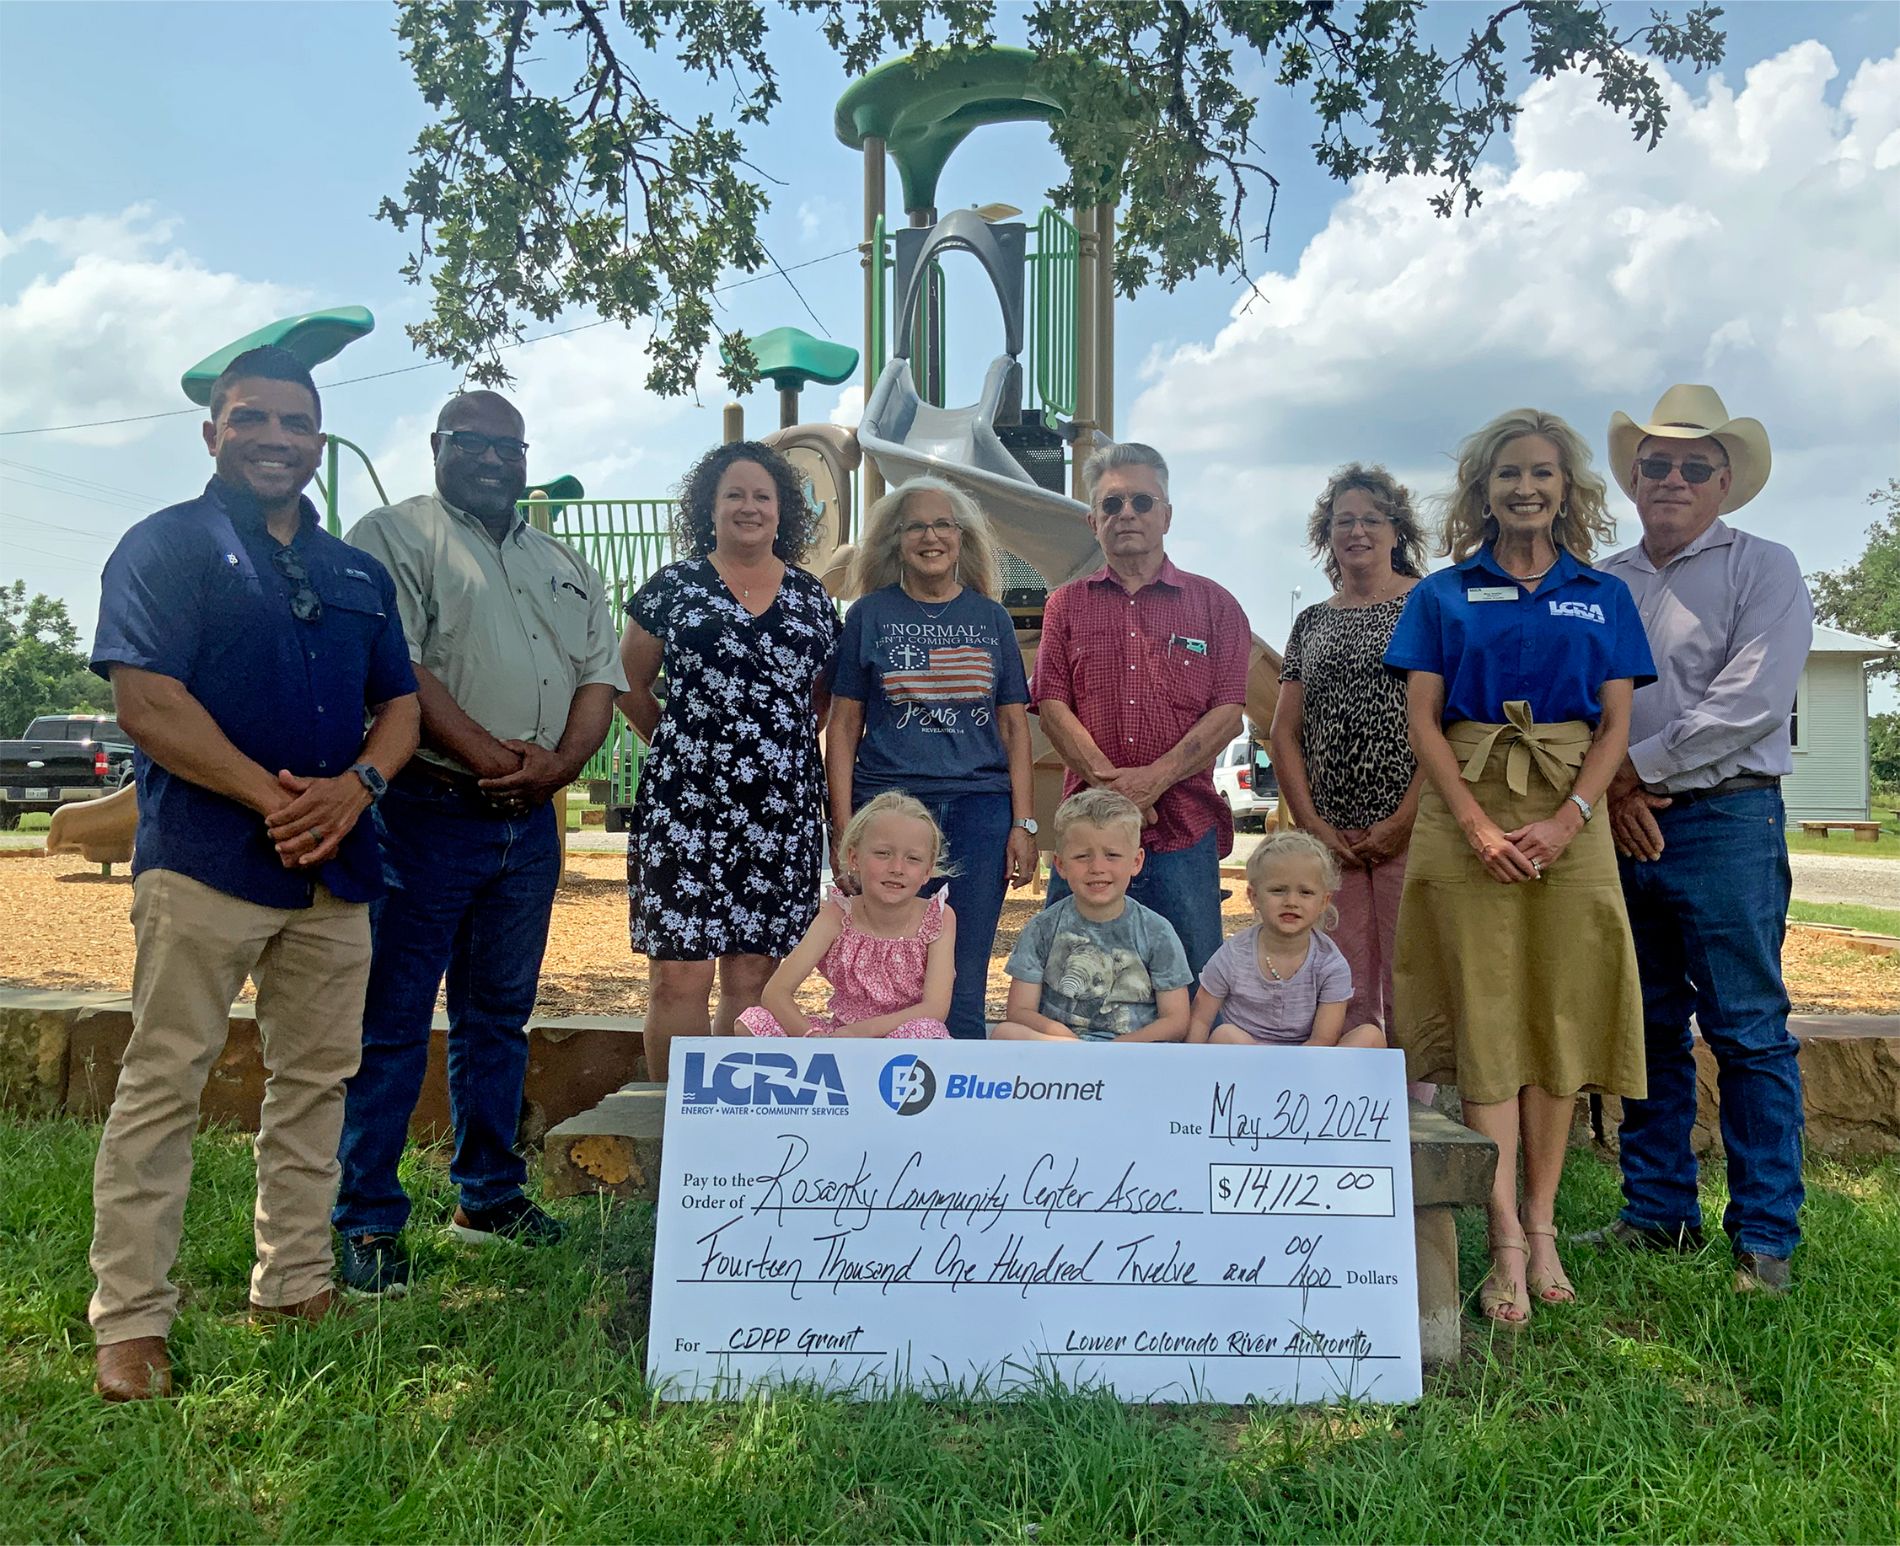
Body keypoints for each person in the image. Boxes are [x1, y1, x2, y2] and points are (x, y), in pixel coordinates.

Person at [86, 347, 420, 1401]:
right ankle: (132, 1320)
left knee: (316, 1082)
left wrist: (356, 786)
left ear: (319, 439)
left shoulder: (358, 574)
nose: (276, 439)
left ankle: (295, 1280)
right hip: (206, 865)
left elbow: (401, 705)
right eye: (253, 419)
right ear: (213, 432)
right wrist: (277, 799)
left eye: (295, 423)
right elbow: (147, 701)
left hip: (339, 872)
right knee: (163, 1081)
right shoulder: (165, 547)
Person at [331, 391, 625, 1295]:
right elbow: (401, 668)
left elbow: (597, 674)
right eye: (473, 442)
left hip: (528, 824)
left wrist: (561, 768)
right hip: (426, 810)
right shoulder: (397, 536)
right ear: (436, 445)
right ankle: (368, 1221)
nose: (494, 458)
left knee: (497, 1017)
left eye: (509, 445)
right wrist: (495, 757)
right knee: (392, 1023)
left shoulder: (561, 560)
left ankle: (488, 1198)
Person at [1384, 407, 1655, 1328]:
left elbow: (1616, 725)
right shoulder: (1442, 593)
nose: (1526, 488)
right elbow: (1423, 718)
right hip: (1467, 812)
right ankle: (1500, 1236)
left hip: (1568, 817)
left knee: (1558, 1012)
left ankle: (1542, 1223)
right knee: (1487, 1018)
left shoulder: (1603, 595)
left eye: (1543, 473)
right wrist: (1474, 823)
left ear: (1568, 487)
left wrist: (1570, 817)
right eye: (1508, 474)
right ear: (1483, 490)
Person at [1585, 385, 1810, 1295]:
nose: (1671, 479)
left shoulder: (1765, 567)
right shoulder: (1602, 583)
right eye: (1656, 465)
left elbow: (1752, 700)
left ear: (1723, 482)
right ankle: (1657, 1214)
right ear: (1634, 480)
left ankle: (1765, 1236)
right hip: (1625, 824)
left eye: (1693, 466)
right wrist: (1617, 793)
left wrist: (1631, 772)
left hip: (1725, 821)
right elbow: (1579, 702)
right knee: (1644, 1026)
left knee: (1749, 1029)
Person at [620, 441, 841, 1081]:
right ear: (709, 508)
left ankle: (732, 1129)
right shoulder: (672, 588)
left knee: (754, 973)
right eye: (734, 495)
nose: (749, 507)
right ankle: (678, 1129)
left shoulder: (811, 598)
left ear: (783, 511)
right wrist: (685, 743)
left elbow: (821, 698)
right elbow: (628, 683)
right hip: (684, 807)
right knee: (677, 974)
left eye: (762, 496)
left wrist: (773, 750)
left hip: (781, 811)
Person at [826, 477, 1039, 1038]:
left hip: (978, 812)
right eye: (915, 525)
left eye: (943, 524)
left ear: (961, 538)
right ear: (895, 541)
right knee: (885, 970)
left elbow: (1015, 726)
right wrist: (844, 826)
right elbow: (844, 725)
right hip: (889, 807)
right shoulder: (867, 616)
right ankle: (885, 1110)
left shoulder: (991, 619)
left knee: (964, 974)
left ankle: (958, 1111)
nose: (930, 536)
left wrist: (1024, 823)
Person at [1031, 442, 1249, 980]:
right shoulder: (1064, 605)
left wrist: (1154, 781)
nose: (1126, 513)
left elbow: (1228, 713)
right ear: (1092, 520)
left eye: (1142, 502)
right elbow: (1052, 703)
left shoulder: (1216, 605)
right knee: (1071, 983)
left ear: (1167, 515)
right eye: (1111, 504)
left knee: (1193, 982)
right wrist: (1116, 790)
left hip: (1182, 828)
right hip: (1089, 836)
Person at [1270, 464, 1427, 1044]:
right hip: (1330, 837)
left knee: (1412, 976)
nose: (1357, 531)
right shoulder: (1312, 621)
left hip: (1412, 828)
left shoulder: (1429, 606)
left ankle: (1416, 1114)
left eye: (1371, 519)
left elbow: (1450, 725)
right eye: (1343, 521)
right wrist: (1313, 827)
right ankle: (1353, 1108)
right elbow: (1284, 732)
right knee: (1340, 979)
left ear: (1395, 530)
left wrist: (1402, 820)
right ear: (1327, 534)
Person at [739, 792, 955, 1040]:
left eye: (913, 859)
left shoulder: (938, 917)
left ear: (927, 872)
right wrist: (811, 1036)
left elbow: (935, 1009)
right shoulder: (837, 915)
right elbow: (776, 991)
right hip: (841, 1036)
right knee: (754, 1020)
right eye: (883, 853)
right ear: (854, 859)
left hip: (903, 1037)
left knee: (927, 1030)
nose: (897, 868)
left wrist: (863, 1032)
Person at [991, 789, 1192, 1043]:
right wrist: (1061, 1036)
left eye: (1112, 855)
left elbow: (1176, 1020)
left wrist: (1121, 1047)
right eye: (1082, 856)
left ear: (1136, 861)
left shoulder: (1157, 931)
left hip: (1134, 1049)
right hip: (1062, 1047)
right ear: (1060, 864)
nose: (1097, 868)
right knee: (1004, 1033)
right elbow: (1019, 1011)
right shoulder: (1042, 928)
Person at [1186, 830, 1385, 1050]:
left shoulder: (1330, 963)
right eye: (1278, 890)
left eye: (1306, 892)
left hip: (1309, 1061)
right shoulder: (1234, 954)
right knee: (1225, 1035)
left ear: (1324, 901)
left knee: (1370, 1036)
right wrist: (1190, 1067)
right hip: (1246, 1060)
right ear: (1254, 896)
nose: (1291, 901)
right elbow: (1200, 1018)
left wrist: (1291, 1075)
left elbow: (1324, 1039)